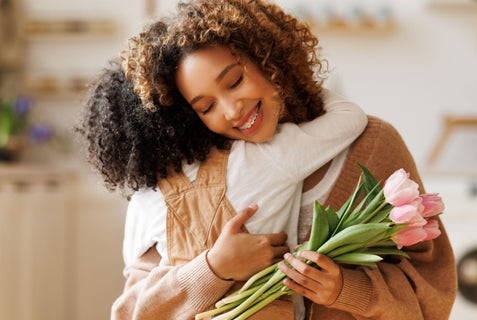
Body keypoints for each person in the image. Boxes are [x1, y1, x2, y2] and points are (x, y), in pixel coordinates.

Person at [76, 1, 457, 319]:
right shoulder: (189, 180)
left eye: (235, 81)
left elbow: (433, 294)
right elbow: (132, 311)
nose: (231, 110)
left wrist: (345, 290)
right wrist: (211, 269)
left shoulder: (372, 144)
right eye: (206, 107)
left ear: (268, 57)